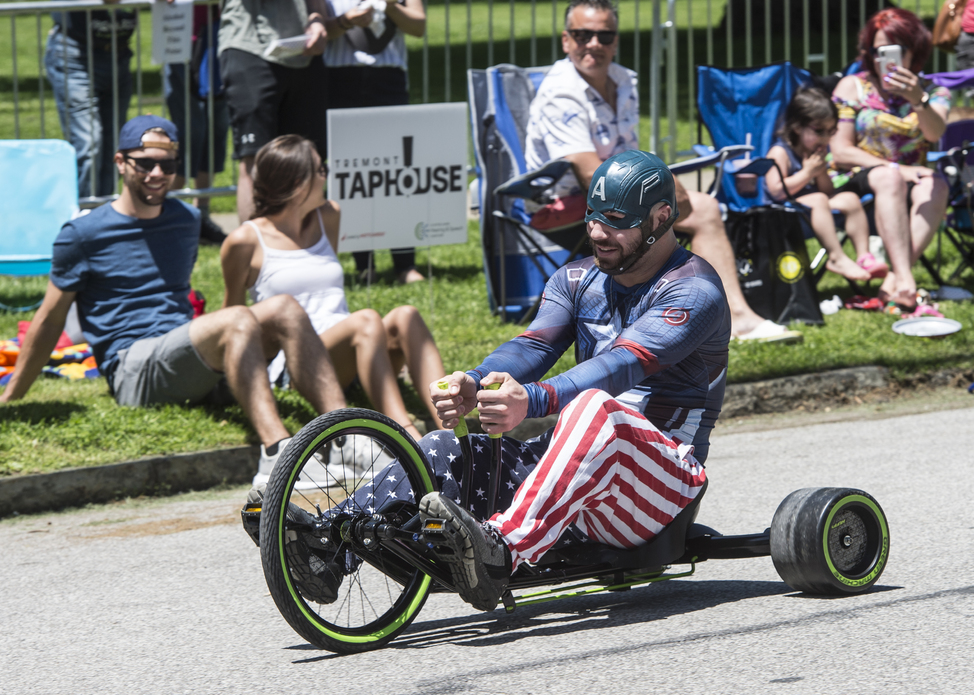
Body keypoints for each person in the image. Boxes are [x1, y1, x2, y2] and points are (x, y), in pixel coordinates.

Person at [289, 150, 727, 612]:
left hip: (661, 489)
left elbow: (620, 365)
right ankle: (326, 547)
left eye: (616, 220)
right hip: (577, 477)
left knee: (595, 407)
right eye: (592, 216)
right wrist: (474, 382)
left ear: (661, 217)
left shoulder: (694, 290)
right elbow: (533, 347)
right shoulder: (576, 279)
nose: (597, 232)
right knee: (447, 448)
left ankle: (499, 552)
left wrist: (533, 402)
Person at [0, 116, 348, 485]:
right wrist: (13, 395)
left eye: (167, 165)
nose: (156, 173)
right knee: (237, 318)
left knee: (285, 307)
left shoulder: (186, 220)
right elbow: (51, 319)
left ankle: (348, 437)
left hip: (184, 355)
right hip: (133, 368)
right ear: (120, 162)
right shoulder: (82, 234)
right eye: (145, 163)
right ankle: (278, 453)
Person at [524, 0, 798, 343]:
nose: (594, 44)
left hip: (619, 192)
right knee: (696, 212)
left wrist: (660, 183)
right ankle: (727, 317)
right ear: (566, 40)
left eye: (604, 36)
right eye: (582, 35)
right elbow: (591, 175)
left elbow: (630, 156)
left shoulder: (624, 81)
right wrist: (662, 188)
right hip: (567, 201)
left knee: (704, 207)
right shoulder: (560, 94)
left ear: (616, 41)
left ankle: (707, 313)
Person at [220, 135, 446, 442]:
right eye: (320, 169)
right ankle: (406, 438)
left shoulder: (329, 216)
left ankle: (452, 429)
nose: (326, 175)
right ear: (298, 182)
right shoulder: (245, 241)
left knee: (406, 315)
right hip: (300, 365)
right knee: (366, 319)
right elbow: (233, 318)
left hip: (351, 351)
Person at [829, 7, 951, 312]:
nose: (886, 59)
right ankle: (907, 281)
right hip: (856, 178)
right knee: (890, 176)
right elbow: (841, 151)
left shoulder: (933, 91)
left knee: (935, 183)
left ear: (915, 51)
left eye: (895, 50)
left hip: (911, 182)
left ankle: (894, 279)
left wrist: (917, 100)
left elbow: (934, 134)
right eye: (878, 50)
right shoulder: (852, 86)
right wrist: (897, 167)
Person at [323, 0, 428, 285]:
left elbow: (418, 26)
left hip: (388, 78)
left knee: (398, 171)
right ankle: (363, 263)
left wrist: (391, 6)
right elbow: (320, 29)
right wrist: (347, 20)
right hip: (340, 77)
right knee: (352, 173)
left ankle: (405, 263)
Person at [218, 0, 329, 223]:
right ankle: (255, 254)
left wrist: (317, 21)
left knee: (307, 159)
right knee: (256, 159)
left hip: (304, 53)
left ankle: (303, 252)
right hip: (249, 47)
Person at [765, 86, 887, 283]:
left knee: (848, 198)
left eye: (831, 131)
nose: (825, 138)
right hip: (783, 215)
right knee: (819, 199)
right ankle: (836, 257)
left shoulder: (815, 154)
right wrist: (807, 173)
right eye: (819, 130)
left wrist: (820, 172)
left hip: (813, 212)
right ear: (797, 126)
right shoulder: (780, 153)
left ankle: (865, 256)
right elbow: (776, 191)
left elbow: (828, 191)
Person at [45, 0, 136, 198]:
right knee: (88, 143)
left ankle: (102, 213)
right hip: (75, 55)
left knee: (114, 143)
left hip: (118, 55)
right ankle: (83, 214)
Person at [163, 2, 230, 246]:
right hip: (180, 40)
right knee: (190, 130)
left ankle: (201, 214)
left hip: (220, 39)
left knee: (216, 129)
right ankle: (168, 214)